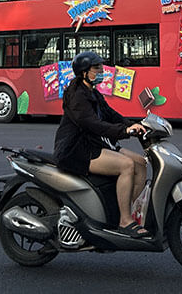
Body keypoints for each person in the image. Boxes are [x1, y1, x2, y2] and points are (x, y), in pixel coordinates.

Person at [54, 51, 148, 237]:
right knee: (127, 166)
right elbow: (92, 124)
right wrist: (124, 132)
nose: (102, 71)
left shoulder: (92, 92)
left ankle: (124, 211)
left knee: (140, 162)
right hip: (77, 149)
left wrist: (136, 125)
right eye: (97, 68)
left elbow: (110, 114)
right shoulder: (77, 96)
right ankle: (124, 221)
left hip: (94, 143)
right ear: (84, 72)